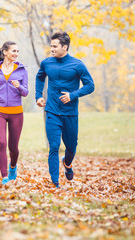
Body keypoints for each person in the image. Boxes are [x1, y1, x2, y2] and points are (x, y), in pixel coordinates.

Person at [35, 31, 94, 188]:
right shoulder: (47, 63)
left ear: (65, 47)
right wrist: (38, 96)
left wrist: (73, 95)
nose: (52, 49)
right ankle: (55, 182)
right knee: (54, 146)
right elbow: (40, 77)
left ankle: (67, 163)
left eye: (55, 46)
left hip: (70, 114)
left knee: (71, 147)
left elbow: (90, 85)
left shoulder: (77, 65)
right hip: (52, 112)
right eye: (51, 46)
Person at [0, 41, 29, 185]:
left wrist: (20, 86)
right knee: (1, 143)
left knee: (13, 148)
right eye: (13, 51)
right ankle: (4, 177)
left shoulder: (22, 70)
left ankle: (12, 167)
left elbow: (26, 92)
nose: (16, 54)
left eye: (17, 51)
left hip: (16, 112)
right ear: (5, 52)